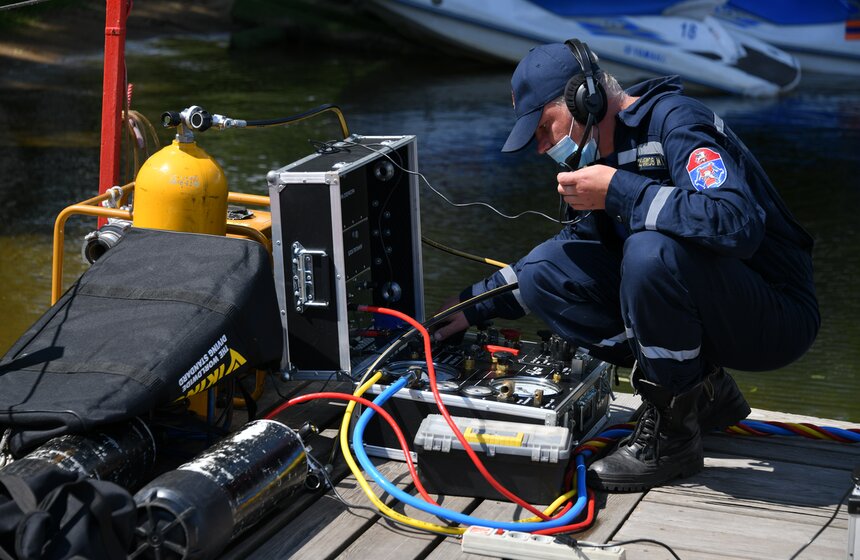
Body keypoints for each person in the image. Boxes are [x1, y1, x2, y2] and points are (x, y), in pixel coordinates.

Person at [433, 39, 820, 492]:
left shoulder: (678, 121)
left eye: (544, 127)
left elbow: (736, 223)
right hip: (712, 304)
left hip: (776, 315)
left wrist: (621, 190)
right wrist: (473, 303)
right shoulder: (598, 154)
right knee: (544, 272)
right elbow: (576, 251)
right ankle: (701, 392)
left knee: (649, 252)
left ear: (585, 98)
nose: (541, 147)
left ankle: (673, 440)